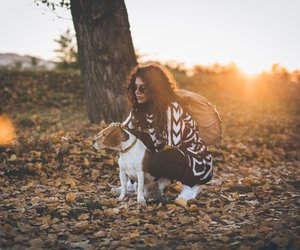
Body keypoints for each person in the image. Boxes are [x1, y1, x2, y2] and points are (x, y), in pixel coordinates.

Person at [114, 63, 213, 201]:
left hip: (194, 158)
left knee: (154, 161)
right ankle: (135, 183)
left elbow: (174, 145)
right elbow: (125, 129)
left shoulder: (170, 108)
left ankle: (191, 185)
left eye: (142, 88)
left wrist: (148, 159)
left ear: (155, 89)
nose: (137, 91)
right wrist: (115, 129)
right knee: (134, 136)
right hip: (168, 151)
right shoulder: (138, 109)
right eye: (134, 87)